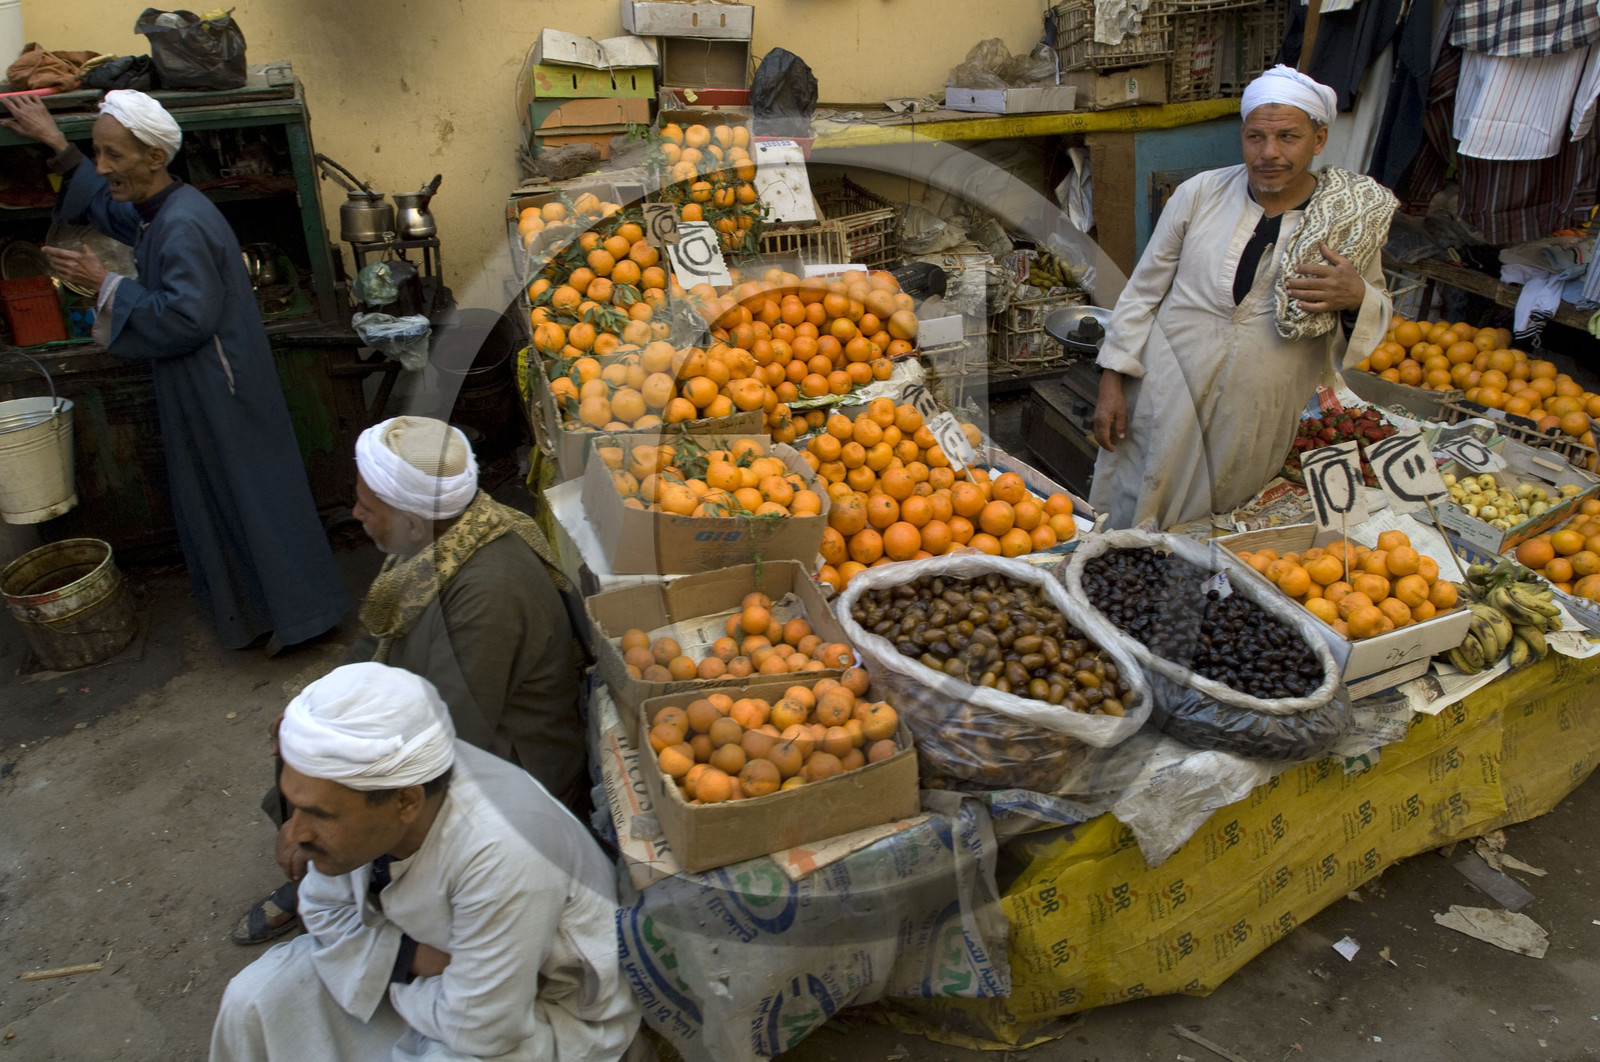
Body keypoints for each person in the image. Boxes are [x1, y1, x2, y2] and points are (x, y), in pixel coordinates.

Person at [0, 90, 347, 652]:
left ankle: (302, 615)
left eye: (113, 155)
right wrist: (60, 146)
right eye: (98, 153)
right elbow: (112, 208)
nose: (104, 167)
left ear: (155, 157)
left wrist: (104, 285)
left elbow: (187, 318)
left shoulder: (183, 223)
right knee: (226, 496)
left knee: (251, 498)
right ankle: (259, 615)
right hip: (205, 382)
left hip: (221, 383)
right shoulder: (160, 206)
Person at [231, 415, 587, 945]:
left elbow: (452, 741)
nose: (356, 515)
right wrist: (320, 704)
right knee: (301, 739)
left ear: (414, 522)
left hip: (509, 763)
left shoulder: (487, 594)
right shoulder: (443, 534)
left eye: (366, 508)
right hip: (446, 711)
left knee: (334, 782)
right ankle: (329, 870)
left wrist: (331, 797)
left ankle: (337, 876)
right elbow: (377, 639)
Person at [209, 663, 639, 1061]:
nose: (295, 834)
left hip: (547, 1016)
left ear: (405, 802)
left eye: (318, 814)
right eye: (294, 806)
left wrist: (405, 981)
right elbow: (323, 910)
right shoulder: (370, 796)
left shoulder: (504, 851)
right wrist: (415, 960)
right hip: (441, 981)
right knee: (252, 1000)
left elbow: (484, 1028)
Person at [1089, 65, 1395, 530]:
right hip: (1164, 392)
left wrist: (1356, 297)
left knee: (1218, 528)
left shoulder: (1347, 223)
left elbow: (1375, 314)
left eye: (1288, 137)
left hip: (1255, 415)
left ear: (1319, 139)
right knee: (1132, 509)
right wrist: (1112, 377)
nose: (1269, 153)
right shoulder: (1200, 194)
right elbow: (1143, 290)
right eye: (1255, 138)